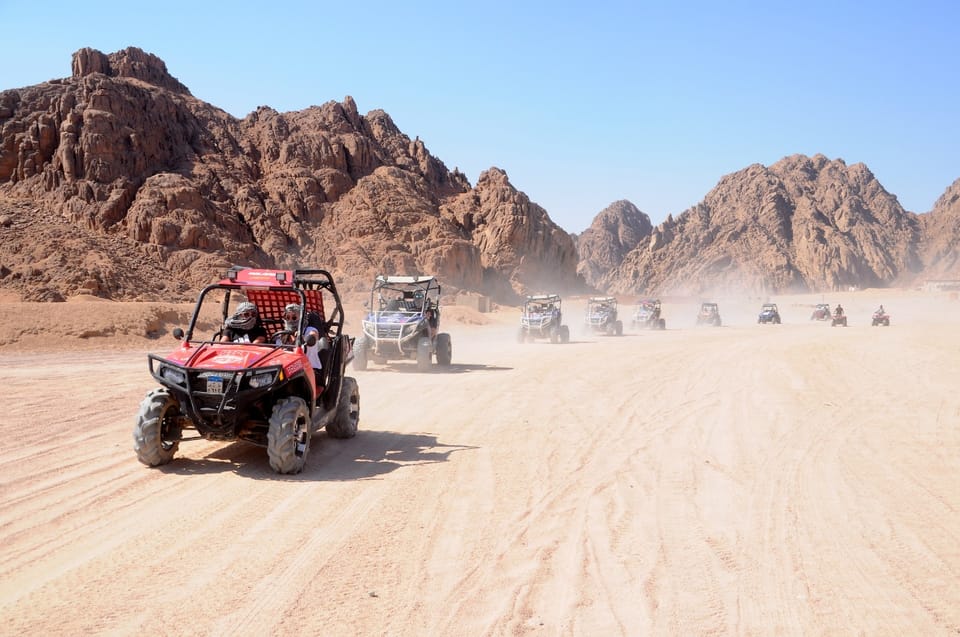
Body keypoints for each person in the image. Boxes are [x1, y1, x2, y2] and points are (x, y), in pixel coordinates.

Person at [274, 304, 325, 378]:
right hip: (288, 371)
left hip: (309, 370)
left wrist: (304, 337)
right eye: (287, 317)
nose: (290, 320)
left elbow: (314, 335)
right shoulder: (282, 335)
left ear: (301, 318)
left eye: (294, 317)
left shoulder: (309, 330)